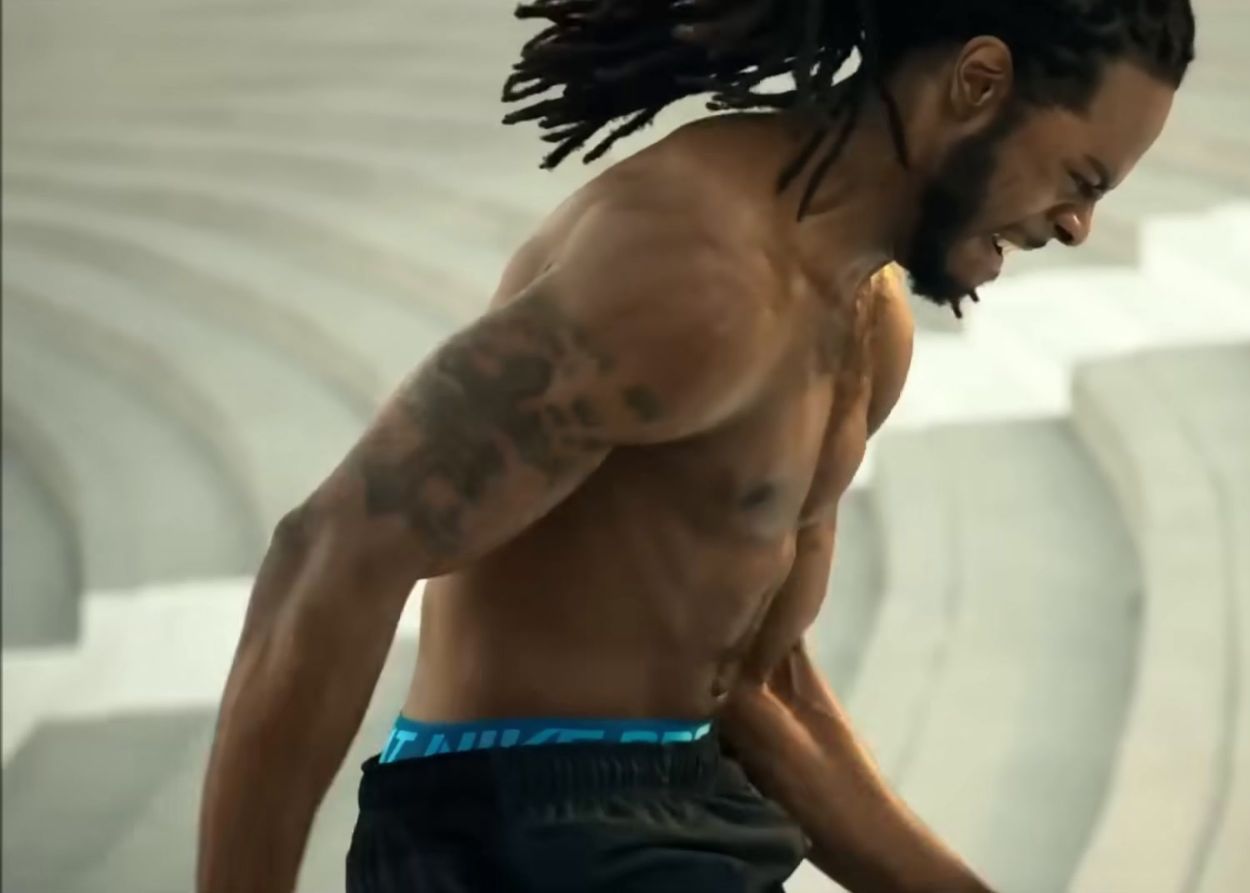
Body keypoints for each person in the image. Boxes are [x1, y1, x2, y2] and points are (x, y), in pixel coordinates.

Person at [196, 0, 1194, 889]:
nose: (1077, 225)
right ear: (978, 84)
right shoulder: (694, 269)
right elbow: (327, 554)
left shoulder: (863, 323)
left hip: (689, 809)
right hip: (505, 826)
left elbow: (753, 691)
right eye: (1080, 175)